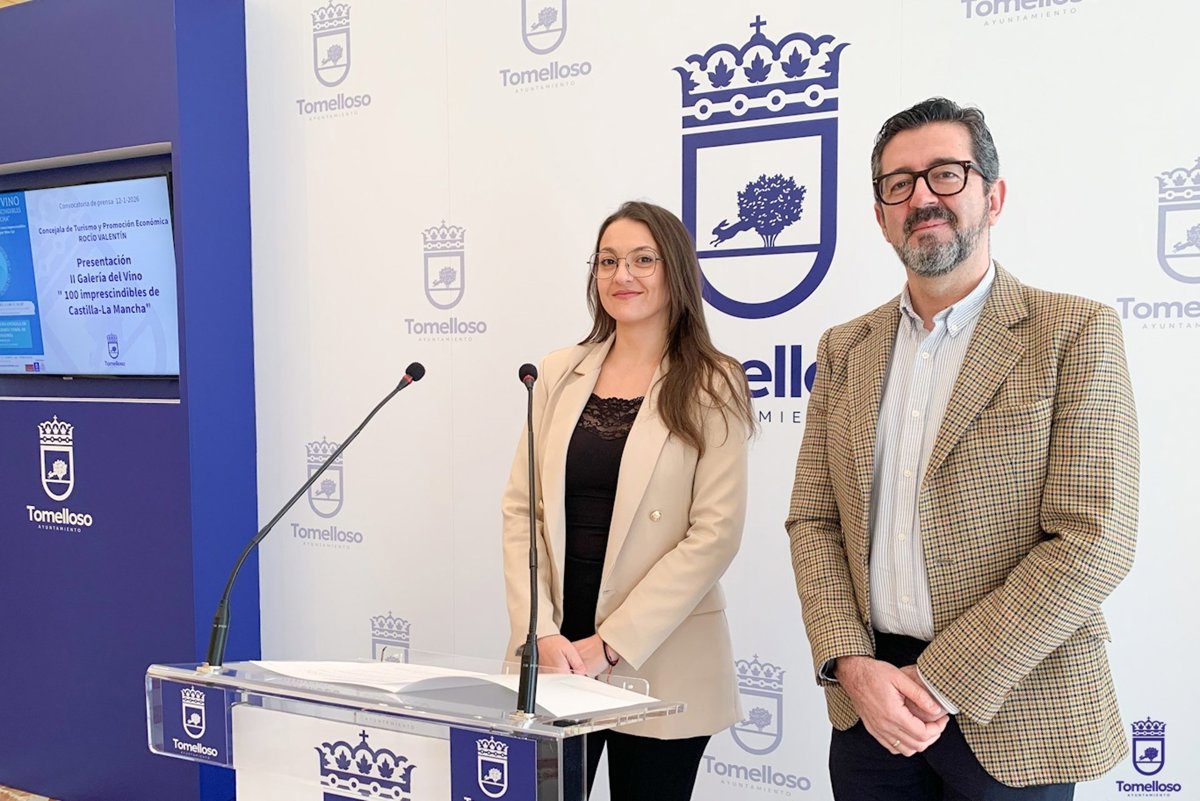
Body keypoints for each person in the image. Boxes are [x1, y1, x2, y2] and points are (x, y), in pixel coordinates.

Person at [785, 97, 1140, 800]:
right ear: (881, 214)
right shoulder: (844, 349)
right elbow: (813, 520)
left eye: (946, 174)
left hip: (1017, 702)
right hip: (870, 702)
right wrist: (849, 661)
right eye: (899, 184)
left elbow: (1095, 537)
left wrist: (942, 678)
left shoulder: (1073, 332)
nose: (922, 197)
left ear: (993, 197)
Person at [502, 200, 754, 801]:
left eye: (644, 260)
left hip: (661, 654)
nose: (623, 275)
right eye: (608, 261)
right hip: (554, 653)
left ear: (676, 272)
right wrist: (539, 631)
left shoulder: (714, 380)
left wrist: (611, 643)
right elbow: (522, 511)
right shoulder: (556, 372)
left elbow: (714, 534)